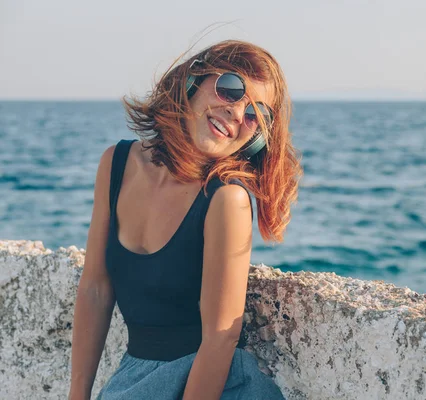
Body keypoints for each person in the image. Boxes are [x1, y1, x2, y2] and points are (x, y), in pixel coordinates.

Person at [68, 40, 302, 400]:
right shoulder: (116, 164)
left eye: (256, 114)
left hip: (210, 386)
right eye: (231, 89)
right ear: (193, 80)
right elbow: (95, 289)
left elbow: (221, 337)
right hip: (134, 377)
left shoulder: (227, 199)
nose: (238, 114)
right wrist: (77, 395)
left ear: (256, 138)